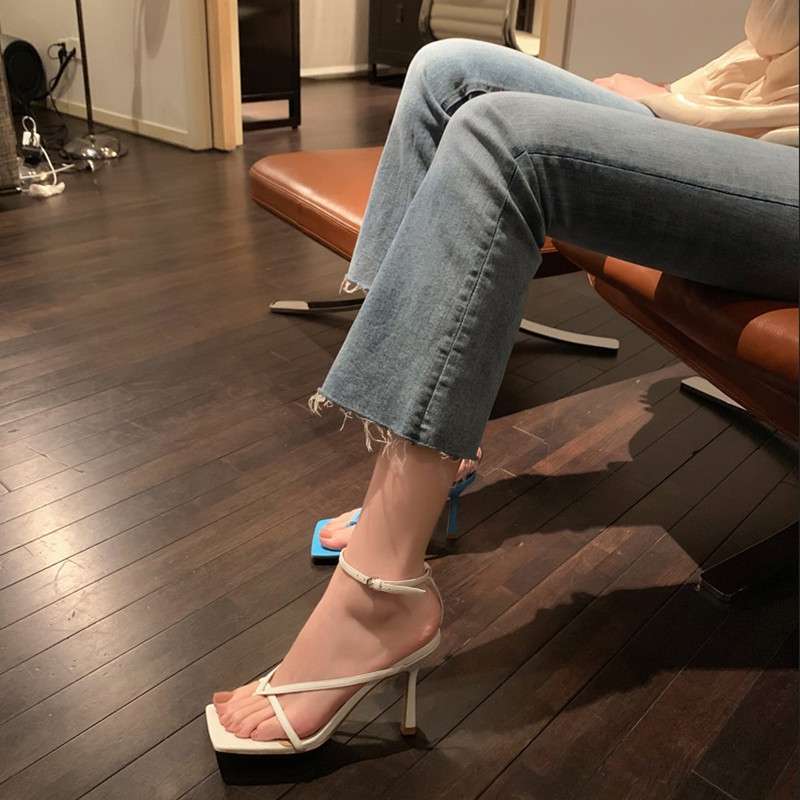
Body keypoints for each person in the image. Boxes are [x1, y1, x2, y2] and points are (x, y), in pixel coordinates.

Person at [207, 0, 798, 753]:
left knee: (505, 141)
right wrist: (680, 99)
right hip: (749, 118)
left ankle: (379, 598)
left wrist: (681, 108)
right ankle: (428, 450)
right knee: (445, 70)